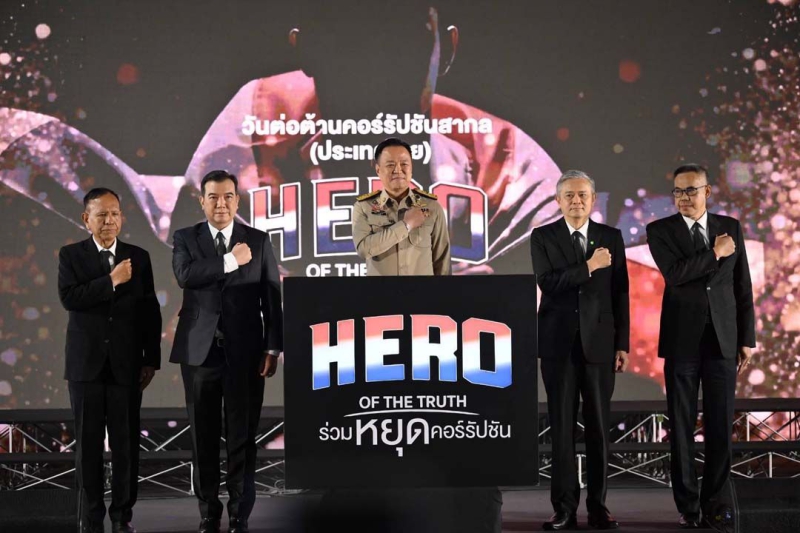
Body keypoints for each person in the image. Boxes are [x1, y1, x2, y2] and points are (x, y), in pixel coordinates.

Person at [170, 170, 283, 533]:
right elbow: (185, 276)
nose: (221, 204)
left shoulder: (258, 240)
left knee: (242, 437)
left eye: (228, 196)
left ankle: (239, 513)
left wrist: (273, 346)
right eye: (214, 197)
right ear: (202, 201)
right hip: (199, 353)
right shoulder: (186, 237)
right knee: (202, 438)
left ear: (238, 200)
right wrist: (230, 261)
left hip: (246, 354)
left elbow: (271, 297)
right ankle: (208, 512)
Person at [646, 164, 754, 531]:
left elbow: (742, 286)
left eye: (691, 190)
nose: (683, 198)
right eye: (678, 191)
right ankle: (688, 507)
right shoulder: (659, 230)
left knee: (721, 425)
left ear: (707, 192)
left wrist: (747, 338)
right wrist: (715, 253)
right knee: (681, 426)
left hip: (723, 339)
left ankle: (715, 504)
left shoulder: (730, 227)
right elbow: (675, 275)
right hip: (682, 341)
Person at [529, 170, 629, 531]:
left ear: (593, 199)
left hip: (600, 344)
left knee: (599, 428)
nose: (576, 201)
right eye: (569, 195)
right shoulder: (543, 237)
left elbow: (620, 292)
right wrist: (589, 266)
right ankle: (564, 508)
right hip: (557, 345)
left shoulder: (611, 237)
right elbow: (548, 283)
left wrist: (622, 343)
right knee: (561, 429)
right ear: (558, 200)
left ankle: (598, 507)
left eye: (583, 195)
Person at [58, 187, 162, 533]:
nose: (109, 220)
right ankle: (91, 518)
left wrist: (151, 359)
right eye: (101, 214)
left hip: (126, 365)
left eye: (114, 213)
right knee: (87, 446)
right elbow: (70, 298)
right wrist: (111, 280)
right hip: (85, 365)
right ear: (86, 219)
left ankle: (122, 516)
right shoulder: (71, 255)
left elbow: (150, 311)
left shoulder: (139, 257)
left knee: (125, 444)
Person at [352, 137, 450, 276]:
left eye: (404, 164)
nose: (398, 170)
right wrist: (406, 225)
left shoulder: (432, 207)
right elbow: (364, 249)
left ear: (411, 168)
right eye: (390, 165)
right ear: (378, 169)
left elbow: (442, 261)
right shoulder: (364, 207)